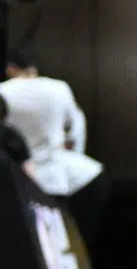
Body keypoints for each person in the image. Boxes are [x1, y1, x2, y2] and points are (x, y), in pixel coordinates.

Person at [0, 47, 107, 249]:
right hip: (55, 178)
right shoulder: (59, 88)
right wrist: (70, 149)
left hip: (16, 180)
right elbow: (75, 128)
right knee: (57, 246)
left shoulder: (3, 91)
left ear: (10, 69)